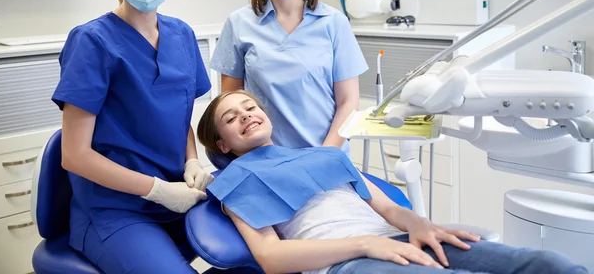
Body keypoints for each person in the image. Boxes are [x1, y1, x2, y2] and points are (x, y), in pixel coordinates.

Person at [196, 90, 588, 274]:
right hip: (346, 262)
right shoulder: (237, 181)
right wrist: (367, 244)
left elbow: (385, 208)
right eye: (231, 118)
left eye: (249, 106)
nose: (246, 115)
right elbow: (270, 258)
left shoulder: (324, 155)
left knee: (542, 263)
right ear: (222, 144)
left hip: (400, 239)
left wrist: (420, 224)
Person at [52, 0, 214, 274]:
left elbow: (179, 115)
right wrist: (157, 190)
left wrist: (192, 162)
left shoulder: (182, 35)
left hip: (180, 198)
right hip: (115, 211)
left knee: (264, 249)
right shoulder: (92, 42)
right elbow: (74, 155)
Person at [209, 0, 368, 156]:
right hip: (264, 159)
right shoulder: (239, 23)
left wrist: (325, 157)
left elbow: (348, 102)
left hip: (326, 154)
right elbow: (230, 105)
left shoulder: (334, 23)